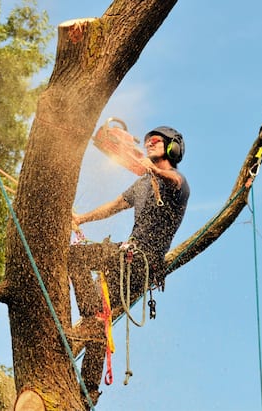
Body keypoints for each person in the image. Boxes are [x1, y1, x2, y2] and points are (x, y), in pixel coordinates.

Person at [68, 126, 190, 402]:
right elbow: (113, 206)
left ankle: (91, 312)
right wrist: (81, 219)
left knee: (77, 259)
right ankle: (89, 390)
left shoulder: (176, 183)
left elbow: (174, 181)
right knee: (97, 319)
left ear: (173, 148)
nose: (149, 144)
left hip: (142, 262)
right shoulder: (141, 184)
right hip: (124, 258)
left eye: (156, 142)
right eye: (147, 142)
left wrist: (154, 169)